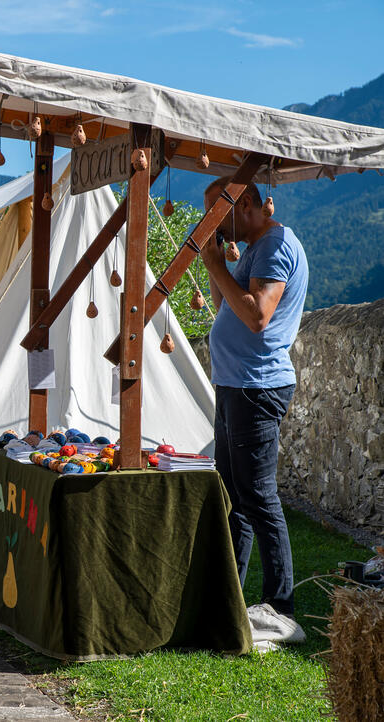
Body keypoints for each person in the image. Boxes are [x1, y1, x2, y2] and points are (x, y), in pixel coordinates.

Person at [200, 177, 309, 643]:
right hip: (236, 384)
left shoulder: (274, 245)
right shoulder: (254, 247)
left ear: (243, 203)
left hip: (254, 386)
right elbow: (227, 303)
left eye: (215, 214)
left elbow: (258, 316)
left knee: (258, 496)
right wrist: (217, 266)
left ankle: (281, 608)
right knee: (235, 496)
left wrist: (210, 258)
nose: (211, 225)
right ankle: (232, 594)